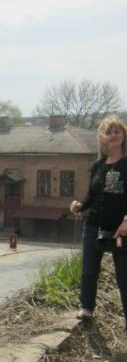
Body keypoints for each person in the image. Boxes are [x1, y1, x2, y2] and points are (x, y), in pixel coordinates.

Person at [69, 115, 127, 329]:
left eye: (117, 131)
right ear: (102, 137)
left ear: (123, 135)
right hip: (94, 226)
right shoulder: (98, 166)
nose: (113, 135)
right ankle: (86, 308)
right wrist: (79, 205)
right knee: (89, 271)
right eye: (109, 132)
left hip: (120, 231)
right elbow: (92, 195)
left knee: (124, 277)